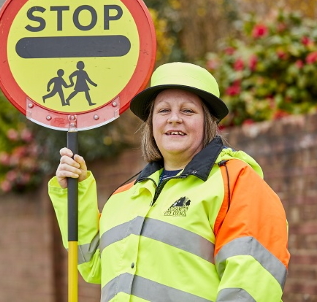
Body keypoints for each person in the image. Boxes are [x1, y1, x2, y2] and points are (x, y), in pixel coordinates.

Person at [48, 62, 290, 302]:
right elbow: (92, 265)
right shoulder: (125, 196)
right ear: (151, 123)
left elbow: (250, 287)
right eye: (163, 111)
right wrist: (74, 191)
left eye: (187, 111)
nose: (174, 119)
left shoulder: (237, 183)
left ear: (209, 123)